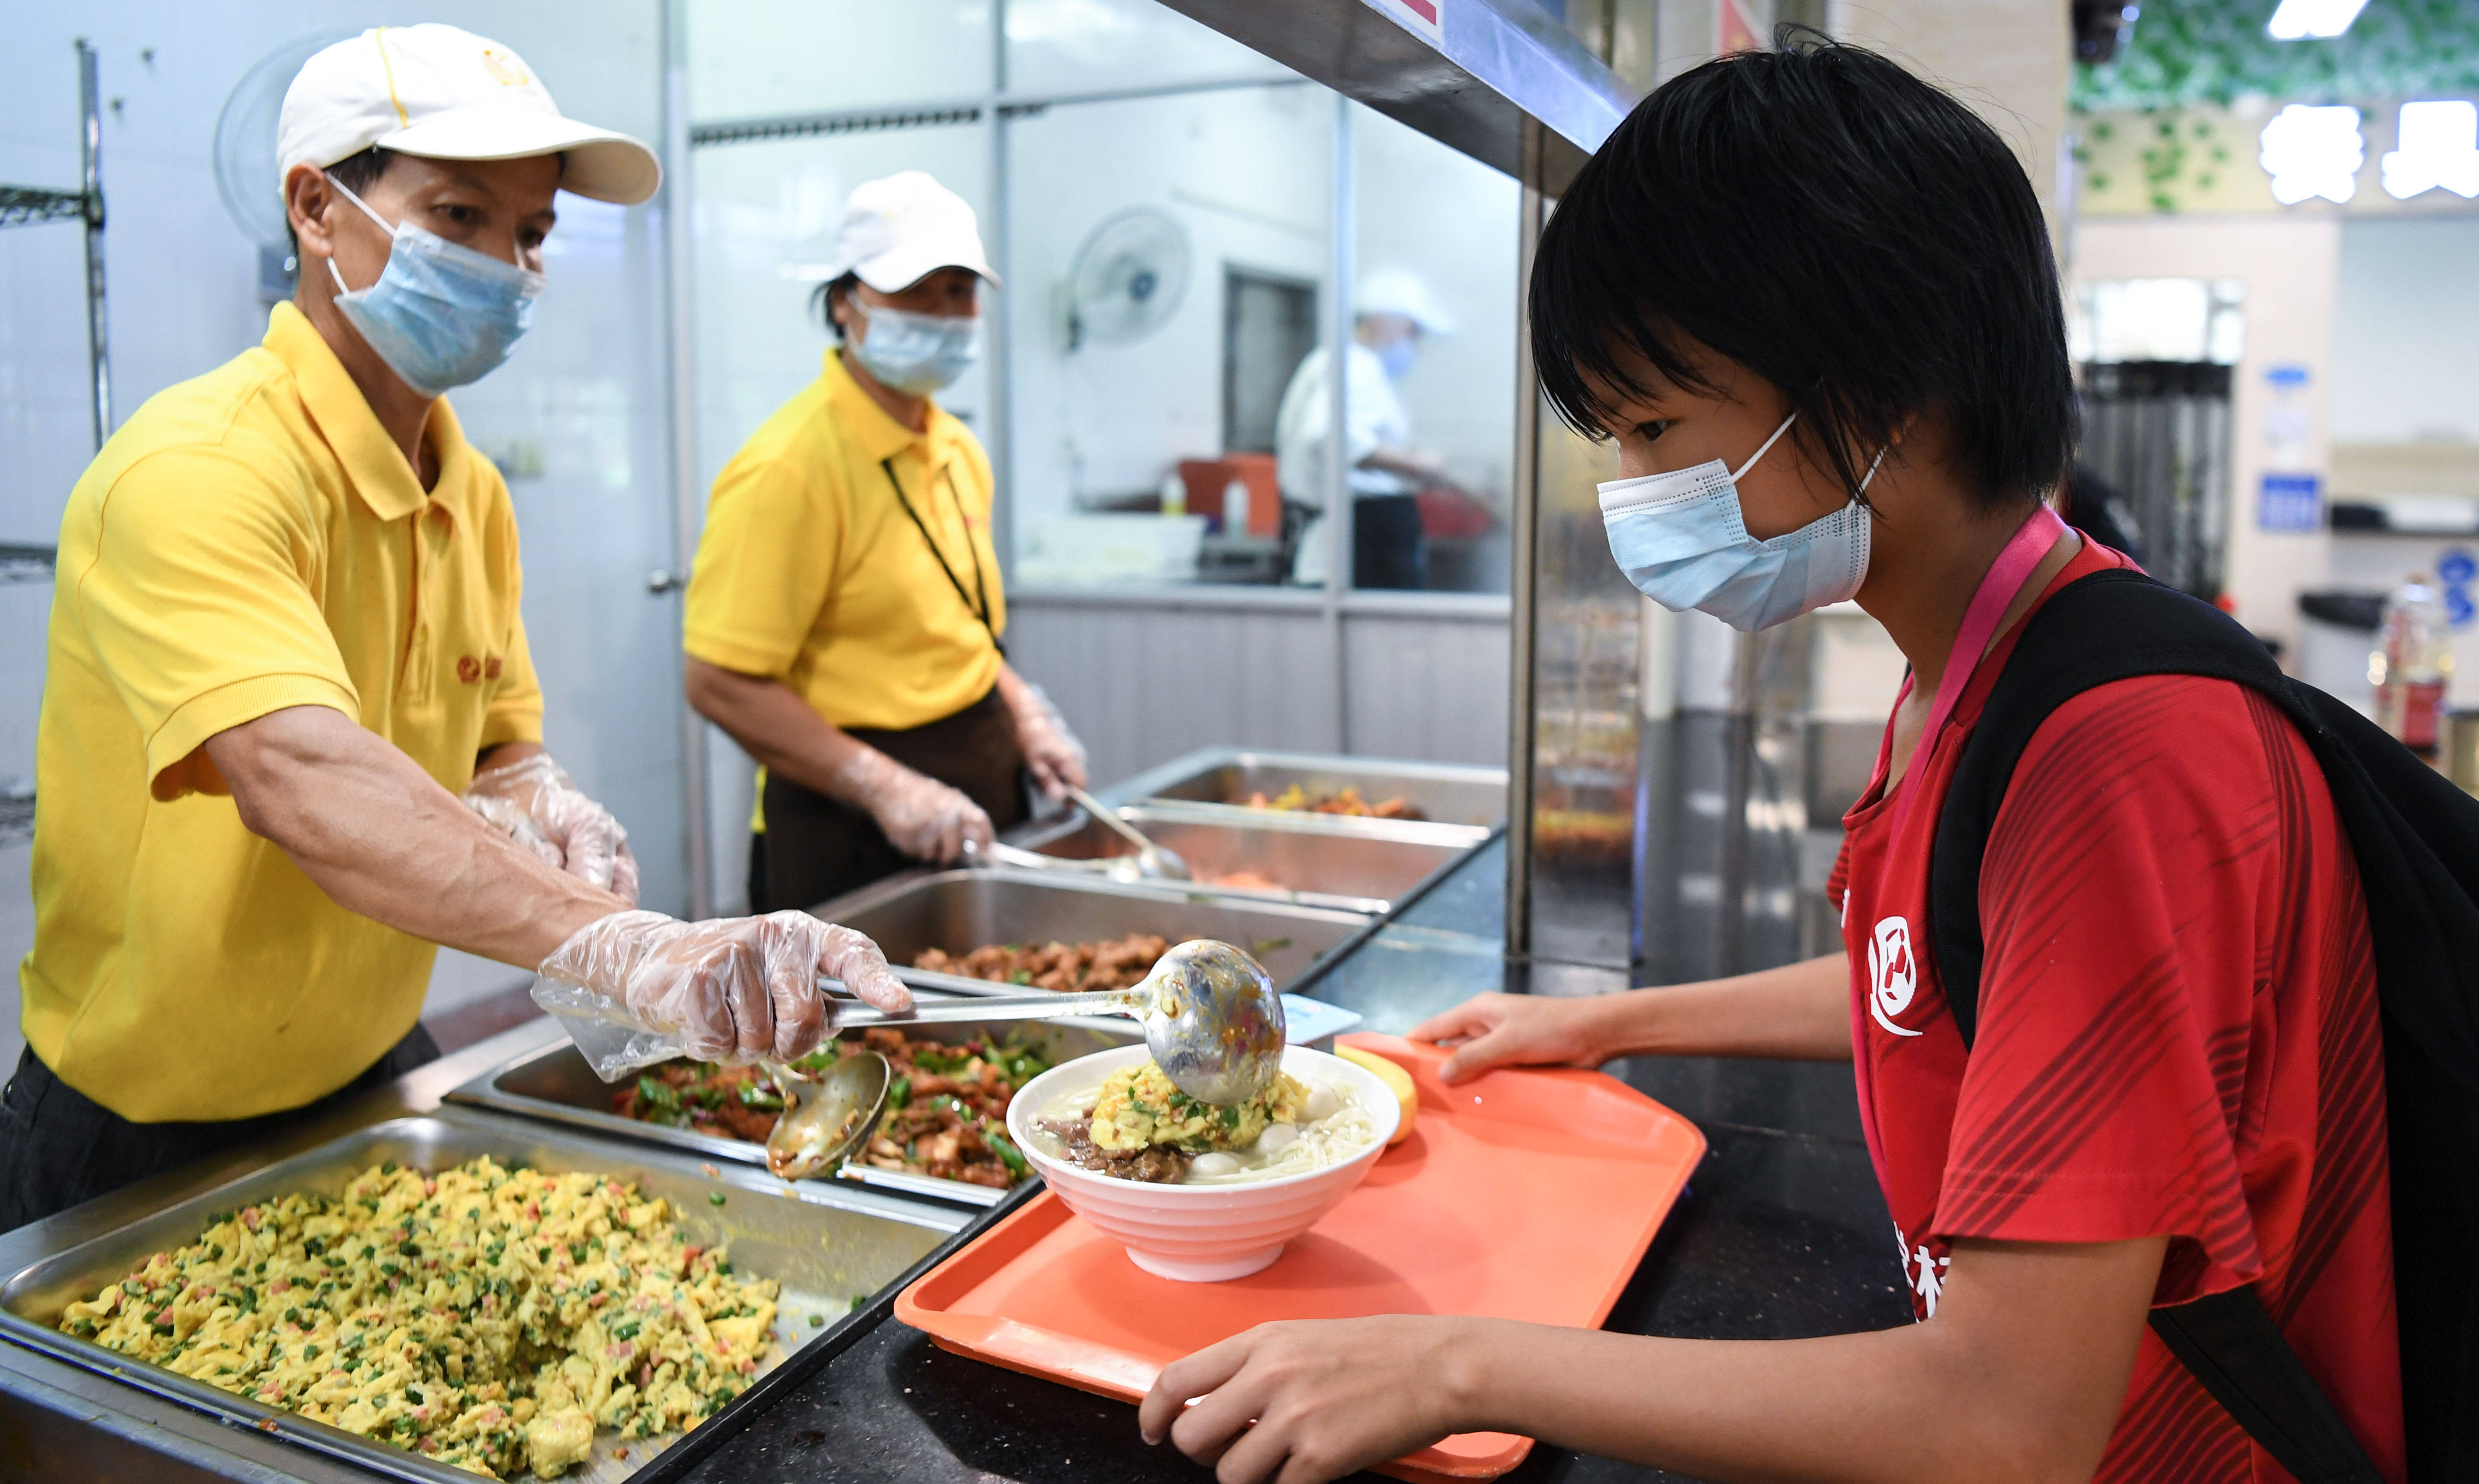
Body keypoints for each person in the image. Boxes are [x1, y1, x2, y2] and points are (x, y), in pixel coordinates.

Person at [1140, 39, 2404, 1484]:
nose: (1630, 492)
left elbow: (2005, 1417)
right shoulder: (1982, 660)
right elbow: (1938, 977)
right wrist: (1609, 1024)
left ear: (1880, 390)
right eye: (1614, 437)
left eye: (1659, 428)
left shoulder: (2109, 757)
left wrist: (1451, 1359)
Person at [5, 26, 909, 1235]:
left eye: (530, 234)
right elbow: (302, 778)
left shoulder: (463, 487)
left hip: (372, 1070)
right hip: (145, 1127)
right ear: (317, 211)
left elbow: (496, 742)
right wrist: (625, 944)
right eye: (458, 217)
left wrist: (550, 807)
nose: (508, 266)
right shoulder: (195, 471)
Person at [683, 171, 1087, 914]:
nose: (945, 312)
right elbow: (719, 682)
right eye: (915, 289)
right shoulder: (789, 466)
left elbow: (958, 626)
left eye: (960, 290)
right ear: (846, 303)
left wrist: (1024, 712)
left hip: (982, 780)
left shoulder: (957, 448)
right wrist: (885, 786)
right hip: (844, 822)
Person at [1273, 268, 1467, 589]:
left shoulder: (1341, 364)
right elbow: (1328, 434)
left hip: (1350, 546)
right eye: (1412, 331)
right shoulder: (1356, 365)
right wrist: (1417, 465)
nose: (1414, 345)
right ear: (1381, 321)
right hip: (1352, 551)